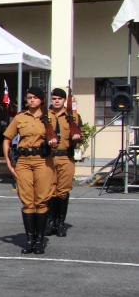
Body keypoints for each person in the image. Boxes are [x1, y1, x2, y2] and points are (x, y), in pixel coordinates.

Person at [3, 87, 57, 255]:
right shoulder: (20, 118)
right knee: (27, 201)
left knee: (41, 200)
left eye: (35, 97)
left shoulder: (50, 117)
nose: (32, 100)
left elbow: (57, 138)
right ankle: (29, 240)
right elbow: (7, 139)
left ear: (41, 100)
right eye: (29, 97)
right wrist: (8, 162)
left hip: (43, 161)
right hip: (24, 161)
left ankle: (39, 240)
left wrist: (53, 142)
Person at [47, 88, 82, 237]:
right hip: (49, 158)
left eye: (59, 99)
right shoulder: (45, 116)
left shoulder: (73, 116)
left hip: (65, 157)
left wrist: (77, 137)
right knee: (50, 190)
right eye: (54, 98)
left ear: (64, 100)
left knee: (63, 191)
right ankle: (50, 222)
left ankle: (60, 223)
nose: (56, 101)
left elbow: (80, 134)